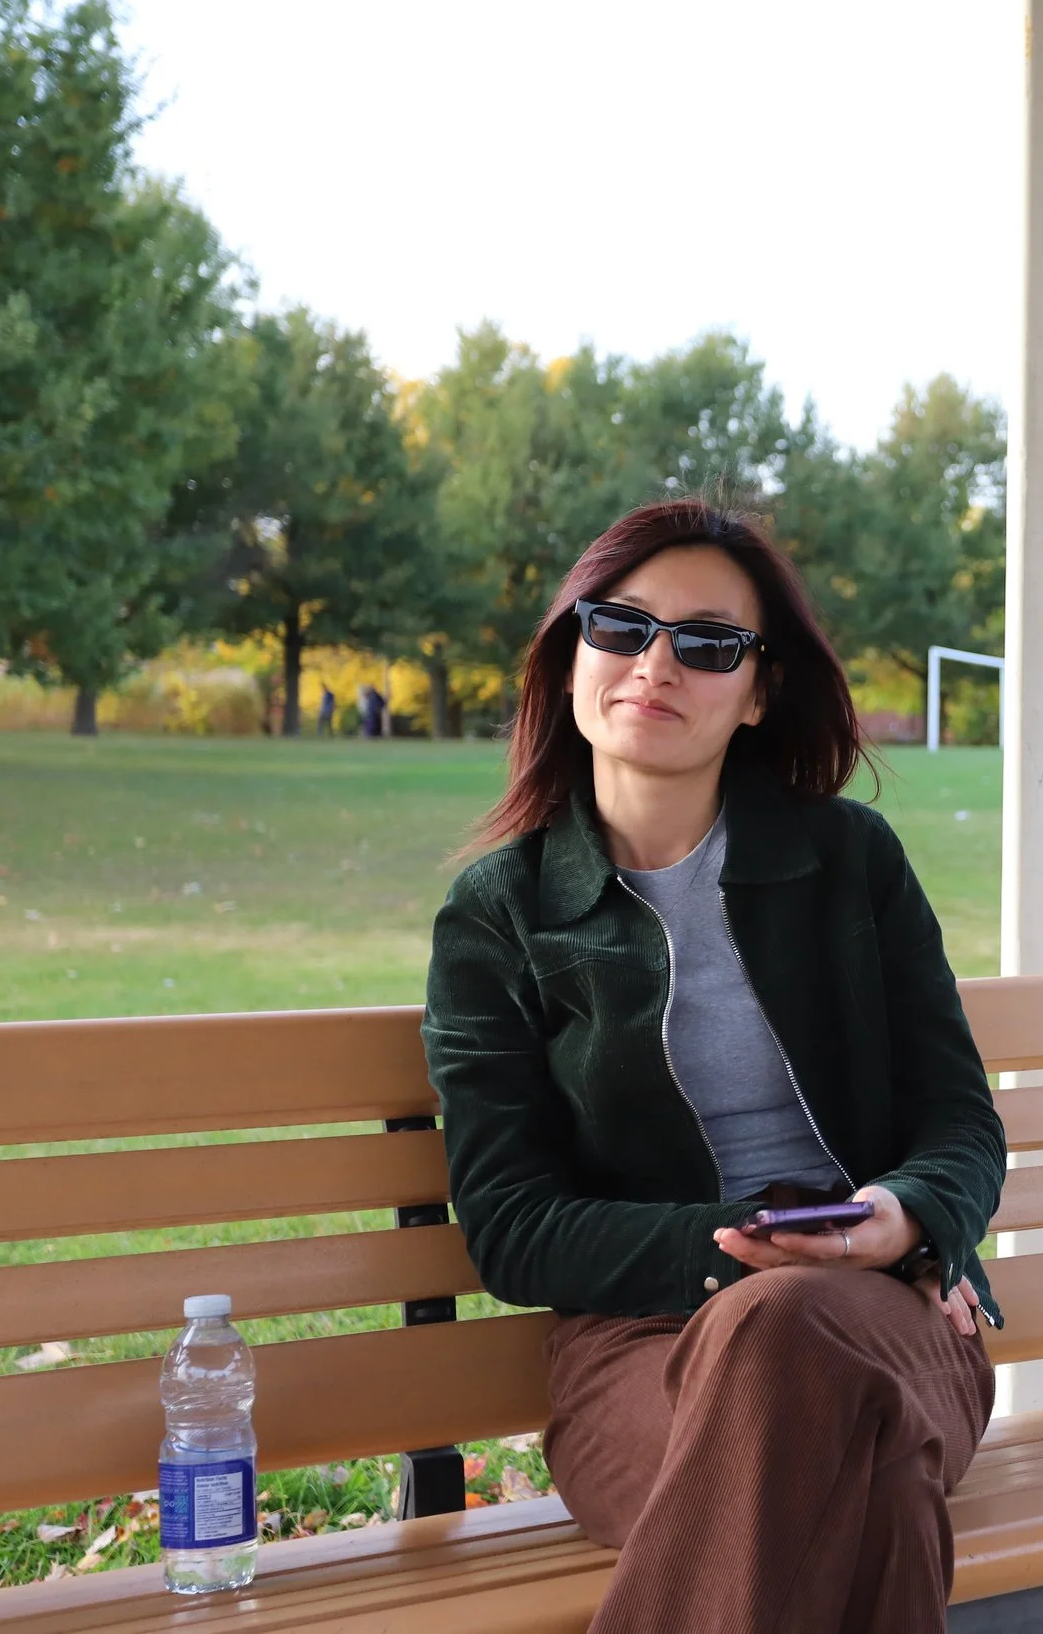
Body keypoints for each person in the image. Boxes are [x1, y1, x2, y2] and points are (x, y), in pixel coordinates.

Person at [421, 498, 1004, 1634]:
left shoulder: (850, 861)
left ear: (759, 689)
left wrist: (903, 1218)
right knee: (868, 1475)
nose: (654, 664)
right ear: (572, 649)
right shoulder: (502, 913)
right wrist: (738, 1245)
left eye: (706, 642)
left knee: (790, 1337)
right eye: (620, 626)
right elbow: (511, 1224)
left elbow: (960, 1121)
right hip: (636, 1350)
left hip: (886, 1315)